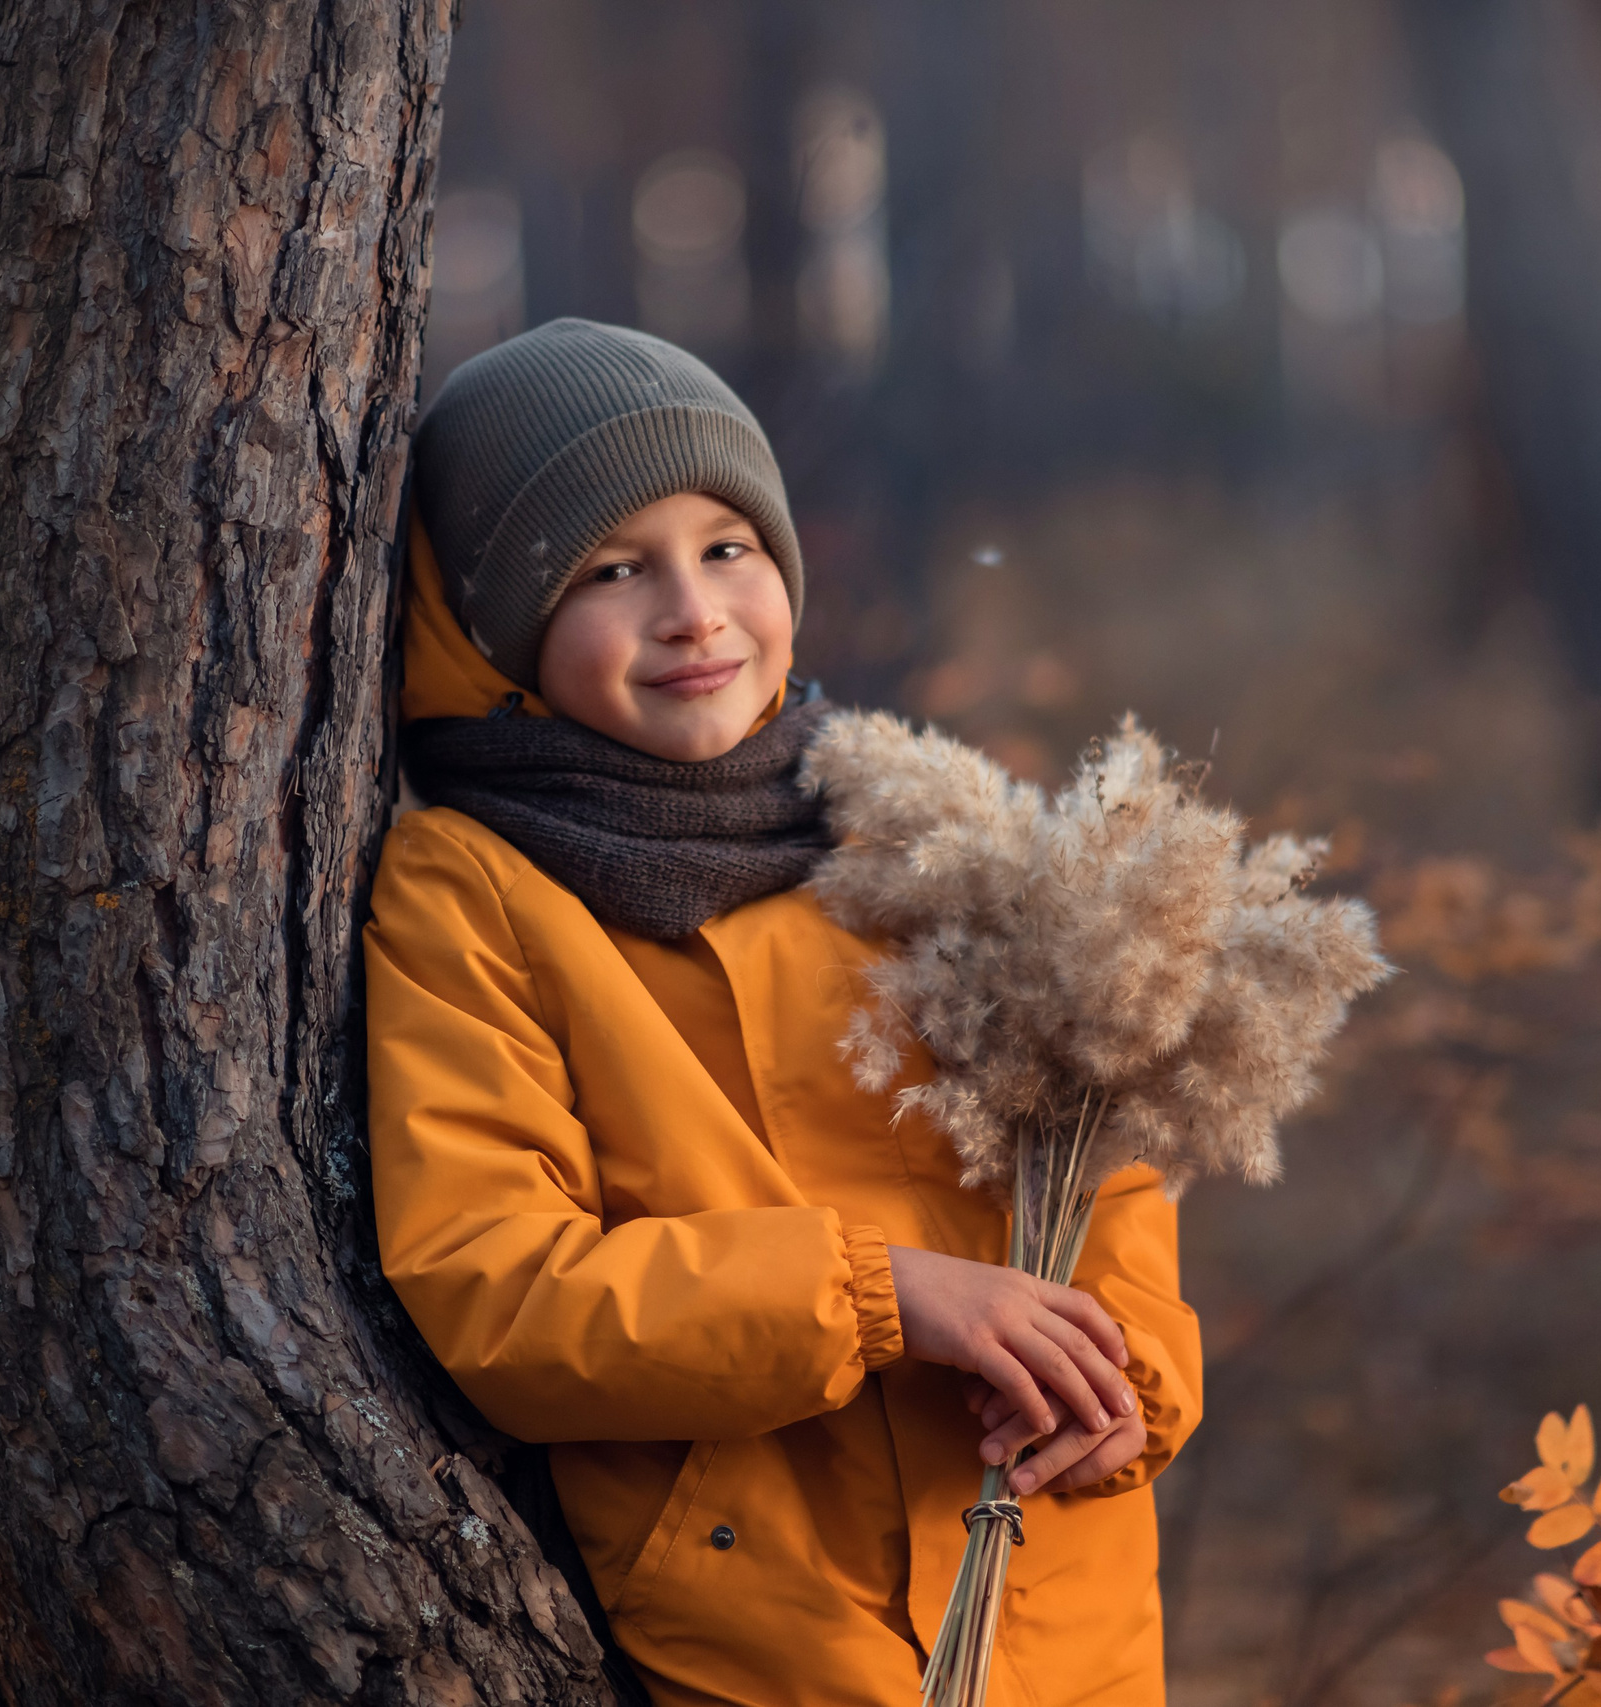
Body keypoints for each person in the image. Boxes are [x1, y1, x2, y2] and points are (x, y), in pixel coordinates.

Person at [366, 318, 1202, 1706]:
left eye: (728, 550)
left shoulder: (915, 832)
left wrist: (1131, 1383)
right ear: (499, 625)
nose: (692, 613)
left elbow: (1108, 1167)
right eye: (612, 571)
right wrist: (880, 1296)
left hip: (1056, 1597)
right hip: (769, 1625)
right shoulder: (475, 893)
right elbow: (499, 1289)